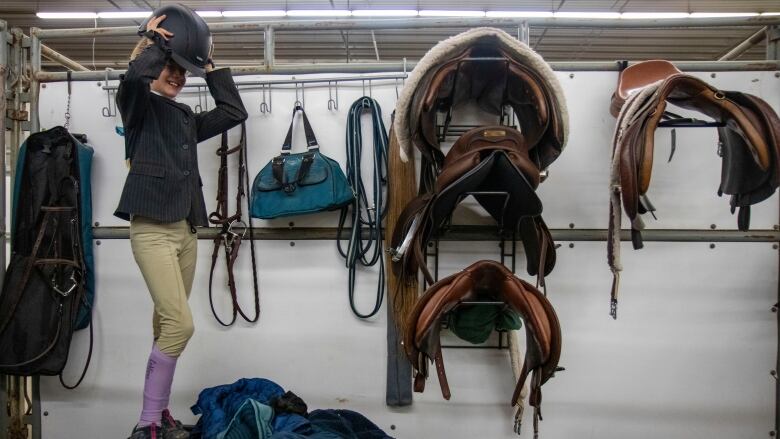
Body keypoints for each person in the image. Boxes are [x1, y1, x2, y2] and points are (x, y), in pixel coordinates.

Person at [114, 13, 247, 439]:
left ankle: (159, 414)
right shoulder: (137, 107)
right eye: (170, 70)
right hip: (151, 229)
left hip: (186, 231)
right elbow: (136, 78)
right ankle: (147, 423)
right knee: (180, 324)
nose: (176, 77)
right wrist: (156, 43)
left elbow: (232, 111)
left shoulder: (186, 118)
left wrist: (207, 67)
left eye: (180, 73)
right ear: (155, 67)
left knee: (163, 326)